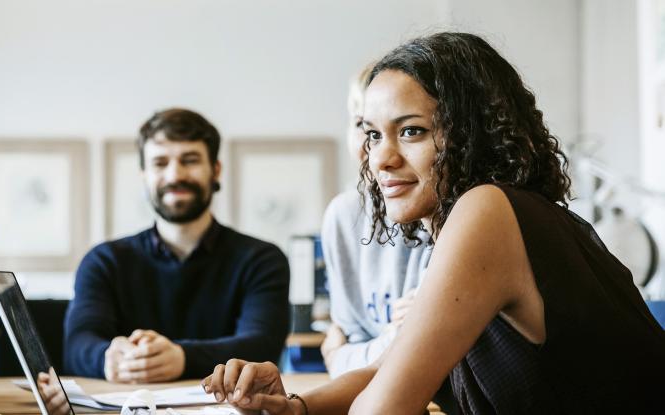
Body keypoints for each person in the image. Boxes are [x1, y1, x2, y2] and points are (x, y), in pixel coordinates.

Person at [203, 32, 665, 414]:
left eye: (411, 131)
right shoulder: (498, 218)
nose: (380, 158)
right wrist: (294, 406)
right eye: (371, 134)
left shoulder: (487, 211)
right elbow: (388, 369)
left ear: (471, 132)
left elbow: (383, 408)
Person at [64, 108, 290, 383]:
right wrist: (110, 358)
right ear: (144, 175)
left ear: (215, 170)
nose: (175, 175)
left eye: (190, 160)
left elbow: (261, 345)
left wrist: (182, 358)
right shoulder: (104, 261)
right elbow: (77, 345)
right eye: (160, 163)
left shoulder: (261, 259)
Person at [320, 61, 431, 377]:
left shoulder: (443, 213)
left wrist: (342, 358)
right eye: (366, 129)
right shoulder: (343, 216)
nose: (380, 153)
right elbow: (350, 334)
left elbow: (420, 351)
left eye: (409, 131)